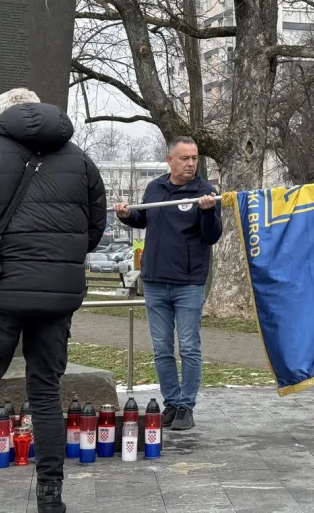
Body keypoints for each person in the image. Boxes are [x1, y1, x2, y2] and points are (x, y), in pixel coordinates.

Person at [0, 88, 106, 513]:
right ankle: (51, 497)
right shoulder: (80, 160)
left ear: (2, 117)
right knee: (46, 391)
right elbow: (94, 229)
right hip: (57, 297)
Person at [113, 136, 222, 431]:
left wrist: (208, 211)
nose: (190, 164)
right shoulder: (155, 188)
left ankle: (187, 405)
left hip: (188, 282)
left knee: (188, 346)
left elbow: (212, 236)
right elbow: (142, 219)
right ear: (169, 160)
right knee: (162, 348)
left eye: (194, 158)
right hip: (154, 280)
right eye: (184, 158)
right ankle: (171, 403)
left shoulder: (205, 192)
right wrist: (126, 215)